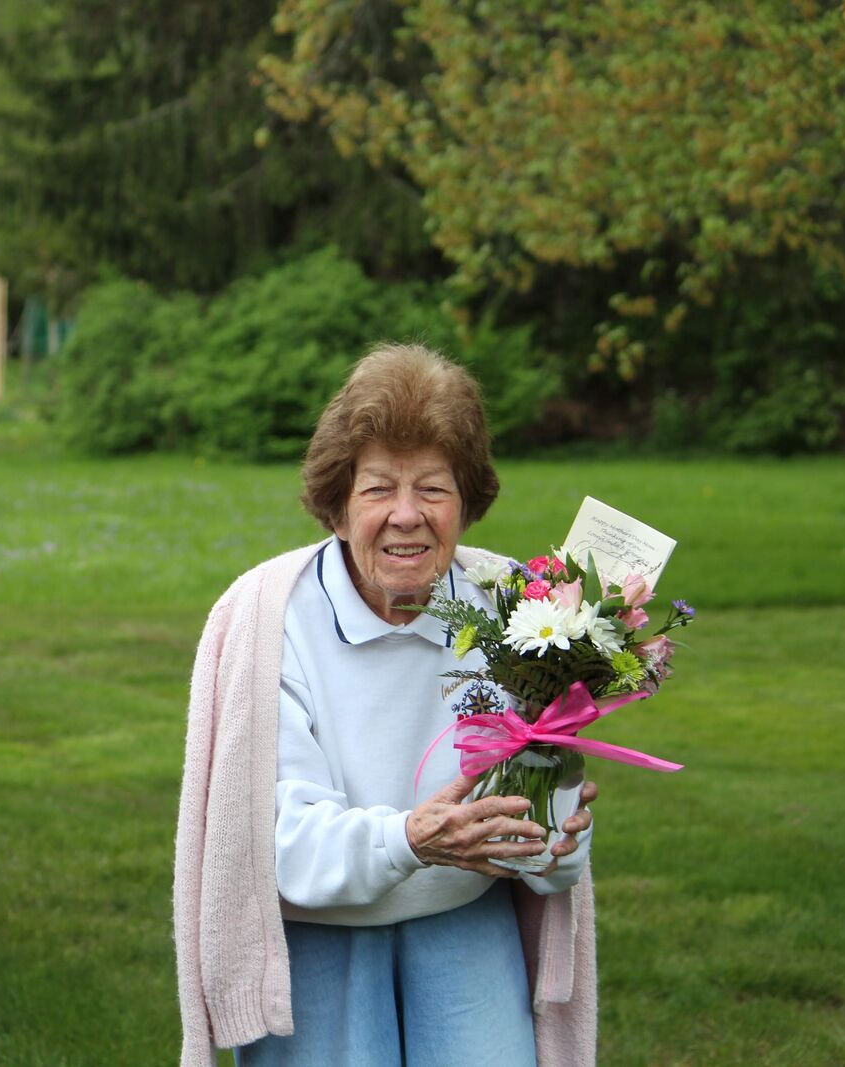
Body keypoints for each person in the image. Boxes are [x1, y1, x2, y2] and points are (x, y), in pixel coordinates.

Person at [174, 344, 600, 1067]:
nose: (407, 515)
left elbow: (540, 832)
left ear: (466, 503)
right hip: (320, 936)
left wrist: (559, 842)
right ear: (337, 507)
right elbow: (278, 843)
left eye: (433, 488)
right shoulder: (271, 620)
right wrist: (409, 837)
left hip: (464, 919)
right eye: (378, 489)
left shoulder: (519, 607)